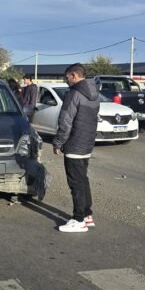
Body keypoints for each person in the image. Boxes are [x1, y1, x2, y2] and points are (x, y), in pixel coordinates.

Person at [52, 63, 100, 233]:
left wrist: (58, 142)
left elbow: (65, 121)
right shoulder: (95, 94)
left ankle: (78, 219)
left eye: (67, 78)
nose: (66, 81)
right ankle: (87, 215)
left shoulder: (74, 94)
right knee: (83, 180)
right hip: (87, 144)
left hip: (74, 144)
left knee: (76, 183)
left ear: (74, 75)